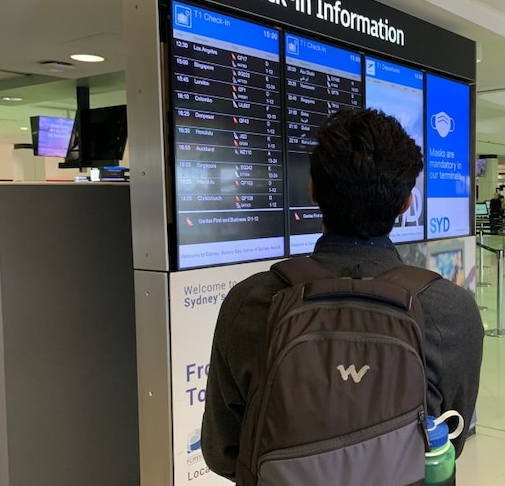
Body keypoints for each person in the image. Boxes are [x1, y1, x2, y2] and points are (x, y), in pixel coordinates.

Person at [201, 108, 484, 480]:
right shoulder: (450, 309)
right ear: (406, 203)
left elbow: (223, 452)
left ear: (313, 190)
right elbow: (449, 443)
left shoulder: (250, 301)